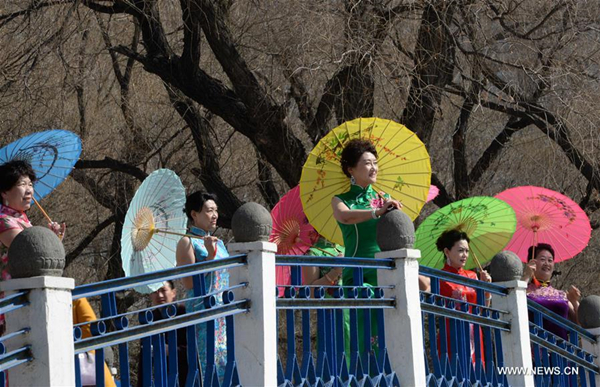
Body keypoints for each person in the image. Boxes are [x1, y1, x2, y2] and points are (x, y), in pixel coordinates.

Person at [0, 160, 65, 334]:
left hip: (26, 298)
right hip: (9, 303)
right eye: (22, 184)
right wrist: (49, 240)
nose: (29, 190)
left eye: (30, 184)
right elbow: (29, 254)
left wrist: (54, 239)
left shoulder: (22, 220)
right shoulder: (3, 221)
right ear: (5, 191)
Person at [176, 191, 228, 381]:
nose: (214, 215)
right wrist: (210, 256)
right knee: (208, 367)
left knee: (227, 364)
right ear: (194, 214)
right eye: (208, 210)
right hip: (203, 312)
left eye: (215, 210)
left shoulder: (219, 242)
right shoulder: (186, 242)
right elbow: (189, 282)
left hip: (224, 310)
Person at [436, 229, 491, 363]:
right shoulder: (439, 277)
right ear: (447, 251)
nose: (465, 255)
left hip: (474, 334)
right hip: (452, 333)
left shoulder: (472, 276)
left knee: (477, 377)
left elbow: (483, 310)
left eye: (467, 251)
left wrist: (486, 288)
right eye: (460, 250)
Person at [521, 243, 580, 339]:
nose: (547, 264)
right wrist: (527, 276)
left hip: (560, 350)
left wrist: (574, 302)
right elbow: (513, 300)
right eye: (542, 259)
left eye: (550, 260)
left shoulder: (562, 295)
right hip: (534, 348)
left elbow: (579, 325)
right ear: (532, 262)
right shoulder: (524, 291)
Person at [137, 280, 188, 387]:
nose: (159, 295)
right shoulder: (149, 319)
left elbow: (196, 350)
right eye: (155, 291)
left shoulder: (184, 313)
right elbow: (143, 359)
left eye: (163, 290)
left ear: (173, 293)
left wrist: (171, 350)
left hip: (185, 377)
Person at [72, 298, 117, 387]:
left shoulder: (76, 299)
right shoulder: (75, 299)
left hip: (81, 361)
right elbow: (91, 328)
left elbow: (91, 329)